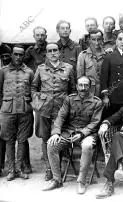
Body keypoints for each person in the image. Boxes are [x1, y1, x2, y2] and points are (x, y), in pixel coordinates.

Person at [43, 76, 103, 194]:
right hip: (69, 132)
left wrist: (81, 134)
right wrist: (56, 133)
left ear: (90, 87)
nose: (83, 88)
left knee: (87, 146)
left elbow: (95, 123)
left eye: (86, 85)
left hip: (87, 134)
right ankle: (57, 180)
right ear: (76, 86)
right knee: (51, 144)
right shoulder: (69, 99)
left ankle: (81, 181)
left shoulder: (97, 102)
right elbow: (61, 116)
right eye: (80, 85)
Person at [31, 43, 76, 181]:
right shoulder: (41, 68)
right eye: (49, 51)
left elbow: (73, 89)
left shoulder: (68, 68)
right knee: (45, 138)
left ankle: (59, 168)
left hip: (61, 109)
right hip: (44, 110)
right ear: (46, 53)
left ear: (59, 52)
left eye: (55, 50)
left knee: (59, 138)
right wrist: (37, 102)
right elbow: (33, 87)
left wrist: (69, 106)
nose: (52, 53)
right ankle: (49, 169)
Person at [0, 45, 34, 181]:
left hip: (25, 110)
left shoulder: (29, 72)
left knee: (22, 140)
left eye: (21, 54)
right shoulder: (3, 71)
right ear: (12, 55)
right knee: (9, 140)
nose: (18, 57)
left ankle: (19, 169)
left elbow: (33, 91)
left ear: (23, 55)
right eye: (16, 54)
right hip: (7, 110)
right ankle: (11, 170)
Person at [77, 29, 107, 98]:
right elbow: (80, 77)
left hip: (104, 92)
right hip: (89, 92)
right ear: (89, 40)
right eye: (93, 40)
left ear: (102, 39)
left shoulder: (107, 55)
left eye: (99, 39)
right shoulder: (83, 55)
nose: (96, 42)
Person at [0, 43, 12, 176]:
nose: (5, 58)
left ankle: (2, 165)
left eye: (7, 56)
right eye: (2, 56)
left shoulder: (6, 70)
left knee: (3, 137)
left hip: (5, 107)